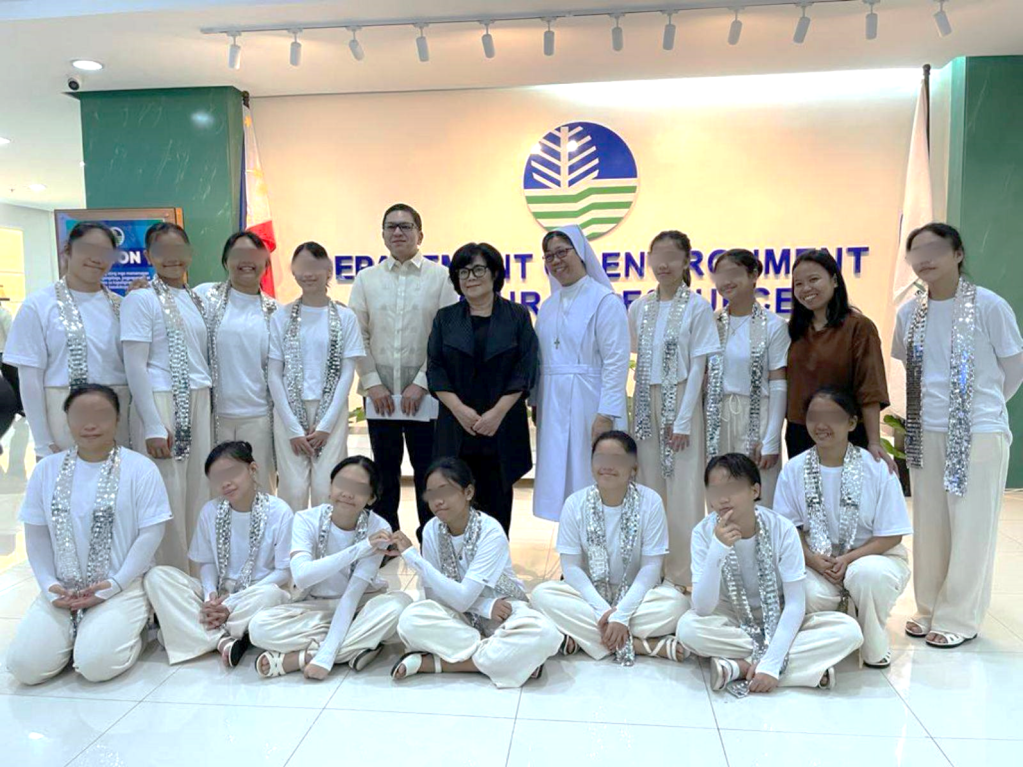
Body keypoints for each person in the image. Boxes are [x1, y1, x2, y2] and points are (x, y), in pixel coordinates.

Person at [892, 222, 1023, 649]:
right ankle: (928, 607)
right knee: (930, 523)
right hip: (925, 429)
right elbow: (912, 369)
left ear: (958, 254)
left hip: (979, 431)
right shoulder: (909, 313)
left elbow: (1013, 369)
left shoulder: (989, 305)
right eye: (917, 252)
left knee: (971, 525)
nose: (925, 259)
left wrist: (980, 409)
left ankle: (960, 618)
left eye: (935, 249)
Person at [6, 385, 172, 685]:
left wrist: (116, 584)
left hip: (121, 586)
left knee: (96, 666)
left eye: (101, 416)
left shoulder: (140, 469)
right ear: (67, 420)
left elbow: (151, 534)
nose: (90, 425)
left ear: (117, 420)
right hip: (63, 591)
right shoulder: (46, 470)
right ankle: (78, 636)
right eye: (80, 416)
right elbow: (36, 535)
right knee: (25, 667)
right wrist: (49, 585)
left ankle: (133, 628)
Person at [675, 454, 862, 694]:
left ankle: (740, 668)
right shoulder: (703, 533)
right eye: (715, 491)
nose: (722, 498)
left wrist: (772, 663)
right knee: (688, 630)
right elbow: (702, 607)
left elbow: (795, 603)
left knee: (849, 631)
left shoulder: (782, 529)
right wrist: (717, 550)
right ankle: (797, 671)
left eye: (732, 489)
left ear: (755, 490)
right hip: (731, 617)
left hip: (778, 613)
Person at [390, 457, 561, 688]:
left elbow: (463, 597)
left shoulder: (491, 531)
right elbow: (435, 597)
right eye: (431, 494)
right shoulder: (431, 530)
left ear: (468, 492)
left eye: (446, 491)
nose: (438, 501)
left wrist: (412, 556)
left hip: (503, 611)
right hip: (465, 613)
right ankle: (504, 657)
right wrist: (484, 607)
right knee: (410, 620)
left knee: (544, 633)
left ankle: (439, 663)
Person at [773, 387, 912, 667]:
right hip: (817, 562)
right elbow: (788, 530)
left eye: (832, 417)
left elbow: (892, 535)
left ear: (851, 423)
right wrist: (813, 559)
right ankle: (837, 636)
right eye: (814, 417)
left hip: (871, 557)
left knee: (868, 576)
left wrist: (848, 559)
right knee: (800, 592)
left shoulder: (877, 468)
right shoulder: (794, 469)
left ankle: (873, 641)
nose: (821, 425)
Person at [531, 431, 690, 664]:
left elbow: (651, 567)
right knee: (541, 596)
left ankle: (586, 639)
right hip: (589, 595)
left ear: (633, 468)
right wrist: (602, 611)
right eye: (600, 458)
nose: (607, 465)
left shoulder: (650, 501)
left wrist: (622, 614)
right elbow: (571, 568)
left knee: (677, 605)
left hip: (638, 596)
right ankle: (640, 645)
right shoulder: (575, 503)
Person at [349, 204, 458, 538]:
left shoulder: (441, 277)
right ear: (382, 235)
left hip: (425, 397)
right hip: (379, 396)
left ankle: (433, 540)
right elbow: (357, 334)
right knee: (383, 471)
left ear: (420, 234)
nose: (398, 232)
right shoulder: (366, 279)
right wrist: (372, 382)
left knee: (430, 471)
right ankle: (387, 538)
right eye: (391, 226)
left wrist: (421, 382)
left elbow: (446, 335)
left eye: (406, 226)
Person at [248, 456, 411, 679]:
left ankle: (307, 656)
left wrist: (323, 659)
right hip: (315, 606)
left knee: (400, 606)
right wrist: (361, 548)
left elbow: (352, 595)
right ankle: (357, 646)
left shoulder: (379, 527)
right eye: (342, 484)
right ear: (330, 487)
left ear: (372, 497)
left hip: (361, 605)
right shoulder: (306, 519)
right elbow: (302, 577)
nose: (348, 493)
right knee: (259, 628)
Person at [144, 441, 293, 668]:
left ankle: (195, 632)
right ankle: (224, 639)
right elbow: (206, 562)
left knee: (271, 595)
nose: (225, 483)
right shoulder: (210, 511)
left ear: (252, 469)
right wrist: (210, 597)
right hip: (221, 592)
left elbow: (284, 572)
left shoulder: (279, 511)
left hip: (256, 593)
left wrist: (232, 603)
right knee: (158, 577)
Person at [427, 242, 538, 536]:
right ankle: (455, 559)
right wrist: (459, 410)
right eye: (463, 272)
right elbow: (435, 368)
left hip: (500, 425)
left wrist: (497, 413)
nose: (470, 277)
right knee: (453, 498)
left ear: (494, 273)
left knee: (497, 501)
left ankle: (495, 558)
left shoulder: (516, 315)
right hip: (456, 425)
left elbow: (525, 367)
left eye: (478, 269)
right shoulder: (446, 318)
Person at [628, 230, 719, 586]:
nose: (663, 264)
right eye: (657, 256)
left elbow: (698, 366)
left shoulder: (697, 307)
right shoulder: (639, 307)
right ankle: (652, 570)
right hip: (645, 405)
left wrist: (683, 420)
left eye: (671, 256)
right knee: (648, 487)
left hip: (682, 401)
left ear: (686, 261)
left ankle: (683, 574)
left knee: (684, 489)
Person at [121, 222, 212, 571]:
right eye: (162, 251)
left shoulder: (197, 298)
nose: (172, 258)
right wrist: (153, 424)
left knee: (199, 491)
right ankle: (168, 577)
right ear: (148, 256)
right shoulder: (141, 299)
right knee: (167, 495)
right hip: (162, 400)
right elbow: (135, 365)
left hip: (198, 397)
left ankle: (195, 575)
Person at [4, 222, 129, 456]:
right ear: (67, 251)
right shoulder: (39, 305)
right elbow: (30, 378)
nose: (96, 258)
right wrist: (42, 441)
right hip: (62, 418)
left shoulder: (122, 306)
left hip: (119, 417)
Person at [533, 225, 630, 522]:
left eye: (562, 252)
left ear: (581, 253)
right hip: (554, 405)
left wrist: (606, 413)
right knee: (559, 480)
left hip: (591, 404)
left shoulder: (605, 301)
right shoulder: (548, 306)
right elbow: (541, 361)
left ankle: (600, 545)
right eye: (549, 256)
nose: (556, 261)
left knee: (591, 475)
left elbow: (616, 362)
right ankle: (571, 542)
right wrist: (536, 402)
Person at [269, 242, 364, 512]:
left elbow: (347, 372)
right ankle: (292, 540)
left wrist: (326, 425)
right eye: (301, 268)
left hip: (330, 414)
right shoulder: (281, 316)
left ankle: (326, 539)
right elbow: (274, 373)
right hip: (288, 412)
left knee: (326, 488)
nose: (308, 274)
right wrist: (292, 427)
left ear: (328, 271)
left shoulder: (346, 317)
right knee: (293, 490)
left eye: (314, 267)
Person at [786, 249, 892, 469]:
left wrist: (874, 441)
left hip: (845, 432)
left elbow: (870, 388)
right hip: (801, 433)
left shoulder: (859, 327)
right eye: (798, 284)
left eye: (814, 279)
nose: (806, 289)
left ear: (834, 281)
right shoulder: (793, 331)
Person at [196, 232, 280, 491]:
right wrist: (142, 290)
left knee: (259, 489)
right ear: (225, 261)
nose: (246, 262)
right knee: (214, 492)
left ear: (266, 263)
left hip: (259, 417)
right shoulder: (203, 297)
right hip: (213, 416)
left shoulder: (277, 312)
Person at [706, 248, 790, 507]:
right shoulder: (711, 322)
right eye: (719, 275)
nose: (726, 281)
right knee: (720, 492)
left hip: (756, 416)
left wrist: (772, 438)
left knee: (758, 492)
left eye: (733, 273)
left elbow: (778, 383)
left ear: (753, 275)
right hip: (717, 418)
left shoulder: (774, 325)